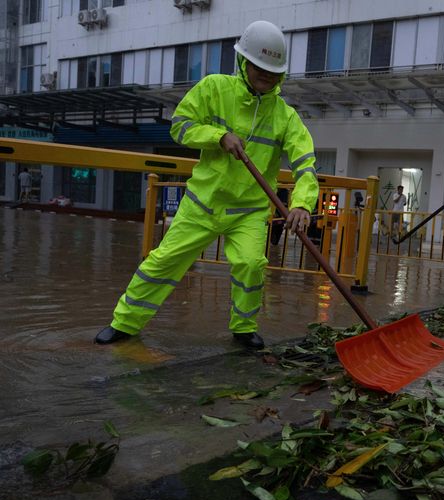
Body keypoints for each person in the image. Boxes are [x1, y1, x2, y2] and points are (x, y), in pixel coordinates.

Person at [94, 20, 319, 349]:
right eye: (259, 67)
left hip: (250, 211)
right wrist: (217, 137)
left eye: (272, 71)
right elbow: (180, 126)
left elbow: (305, 164)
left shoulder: (285, 117)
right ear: (244, 62)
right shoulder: (214, 89)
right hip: (203, 202)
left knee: (250, 264)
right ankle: (125, 323)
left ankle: (243, 328)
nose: (266, 75)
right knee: (164, 260)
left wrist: (302, 204)